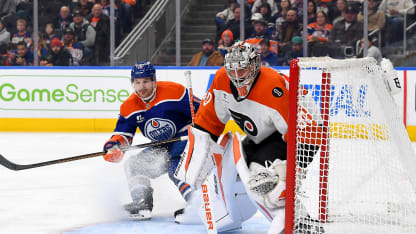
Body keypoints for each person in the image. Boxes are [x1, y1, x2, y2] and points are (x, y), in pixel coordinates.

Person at [175, 42, 320, 233]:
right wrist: (199, 155)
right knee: (244, 161)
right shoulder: (221, 79)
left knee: (262, 176)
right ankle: (222, 210)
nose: (236, 76)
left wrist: (295, 167)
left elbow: (308, 132)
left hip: (302, 134)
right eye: (232, 70)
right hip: (259, 137)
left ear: (254, 66)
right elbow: (208, 123)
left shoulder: (274, 87)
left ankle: (300, 220)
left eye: (242, 70)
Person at [103, 62, 200, 221]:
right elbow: (123, 134)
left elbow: (203, 109)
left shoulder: (174, 92)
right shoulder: (129, 106)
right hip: (161, 145)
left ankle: (198, 202)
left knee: (176, 166)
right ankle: (142, 202)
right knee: (134, 166)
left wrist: (202, 127)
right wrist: (114, 146)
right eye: (137, 82)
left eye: (146, 81)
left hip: (184, 136)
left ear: (154, 81)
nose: (141, 87)